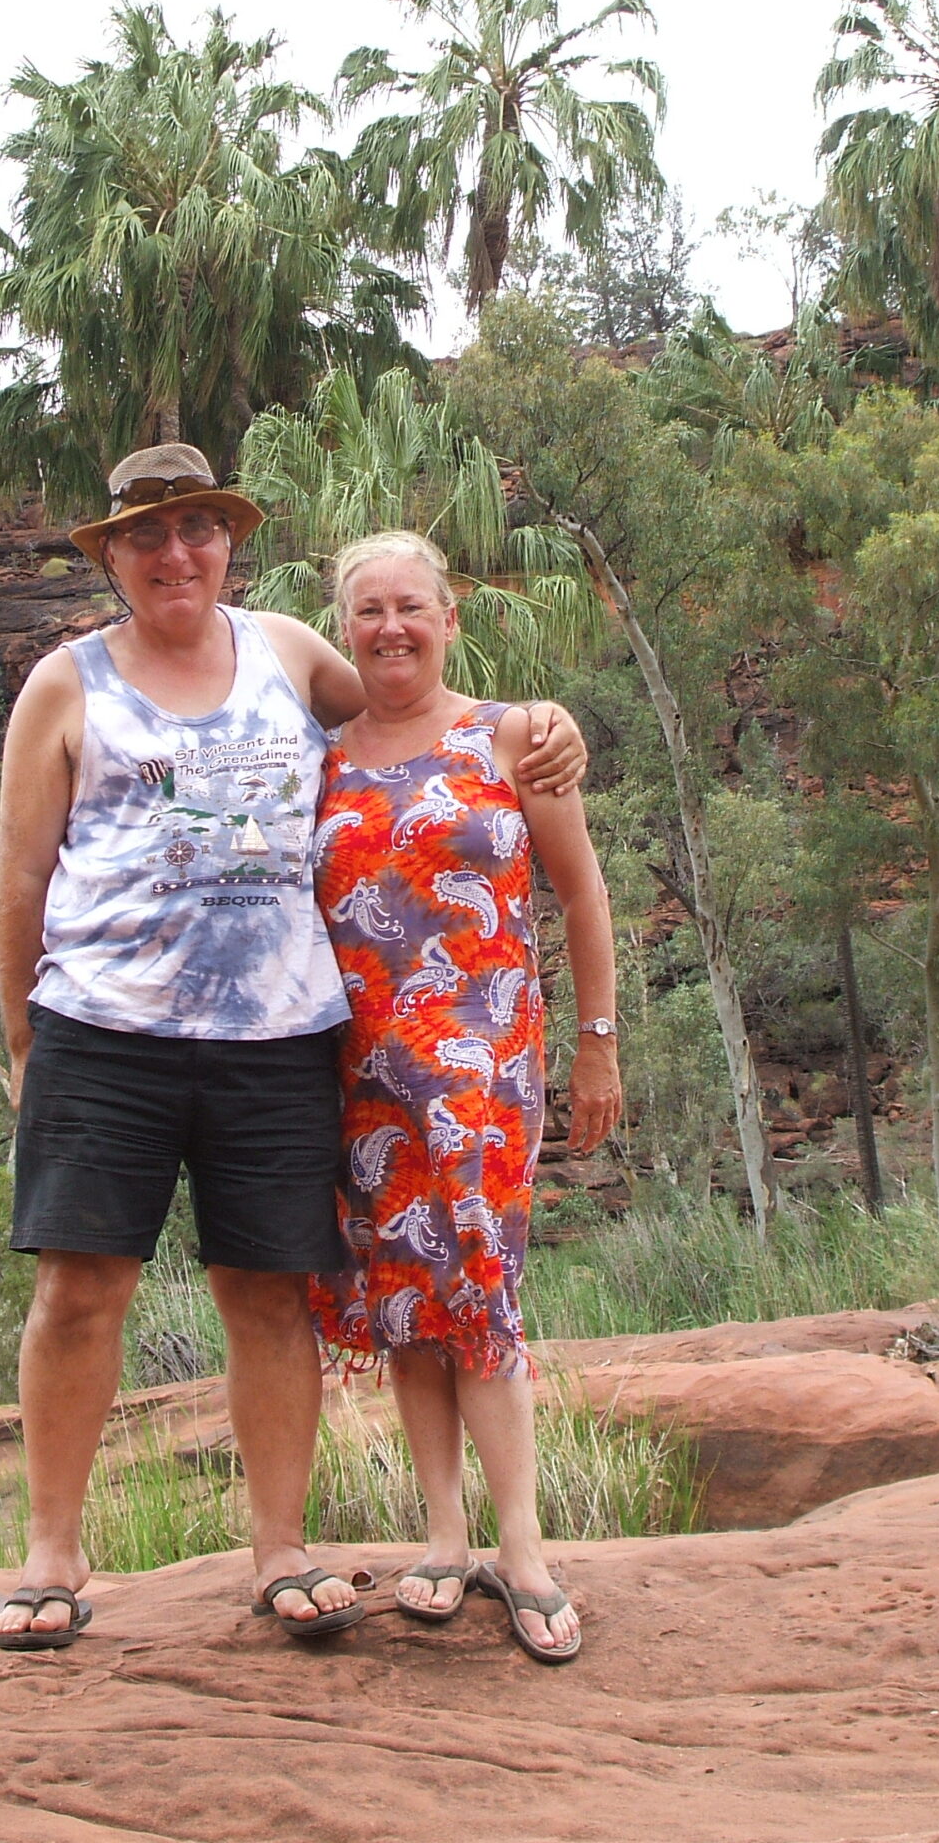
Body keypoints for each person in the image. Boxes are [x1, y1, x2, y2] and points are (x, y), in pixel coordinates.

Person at [0, 446, 587, 1651]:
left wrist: (539, 725)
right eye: (149, 536)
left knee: (270, 1296)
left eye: (200, 530)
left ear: (227, 545)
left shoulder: (282, 652)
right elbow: (19, 883)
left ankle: (281, 1550)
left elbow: (408, 713)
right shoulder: (67, 684)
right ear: (110, 555)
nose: (176, 555)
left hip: (277, 1040)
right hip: (105, 1033)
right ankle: (52, 1553)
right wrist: (25, 1049)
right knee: (78, 1289)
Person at [309, 529, 621, 1665]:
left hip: (485, 1073)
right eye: (369, 610)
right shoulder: (319, 756)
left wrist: (597, 1045)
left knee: (477, 1283)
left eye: (411, 607)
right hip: (358, 1080)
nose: (390, 627)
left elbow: (580, 896)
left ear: (449, 618)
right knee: (404, 1299)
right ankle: (442, 1536)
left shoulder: (515, 738)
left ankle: (522, 1547)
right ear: (344, 627)